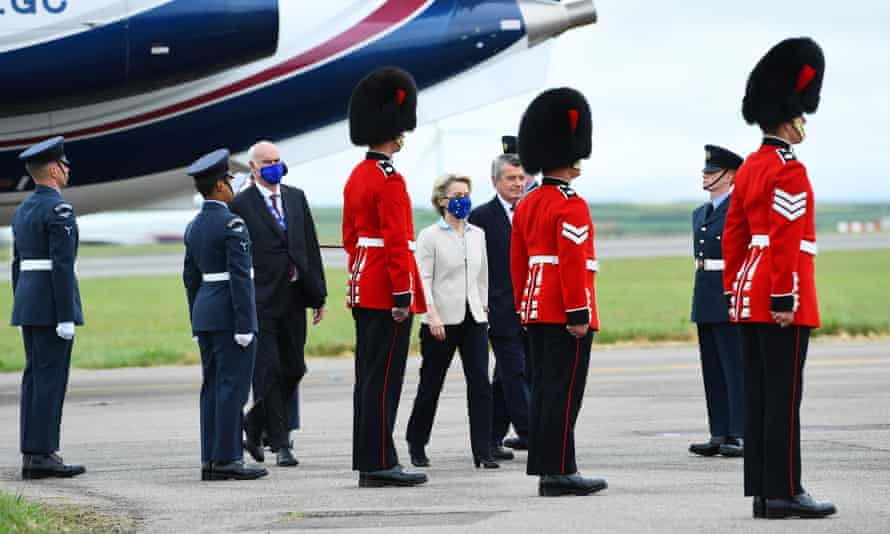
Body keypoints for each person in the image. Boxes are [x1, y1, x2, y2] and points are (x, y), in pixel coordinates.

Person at [723, 37, 835, 519]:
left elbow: (734, 237)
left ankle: (765, 493)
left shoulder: (749, 167)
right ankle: (785, 490)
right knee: (784, 397)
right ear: (791, 118)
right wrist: (784, 296)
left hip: (749, 291)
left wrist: (736, 290)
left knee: (760, 396)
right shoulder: (788, 170)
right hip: (778, 294)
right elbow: (787, 241)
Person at [512, 88, 607, 497]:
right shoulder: (570, 203)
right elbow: (571, 263)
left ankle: (553, 468)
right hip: (562, 309)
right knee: (565, 393)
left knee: (546, 392)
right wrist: (578, 312)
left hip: (535, 307)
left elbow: (517, 262)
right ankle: (559, 471)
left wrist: (523, 306)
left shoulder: (529, 202)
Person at [343, 66, 428, 488]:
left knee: (368, 379)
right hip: (385, 289)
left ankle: (373, 457)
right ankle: (378, 463)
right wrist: (402, 294)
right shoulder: (389, 180)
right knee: (384, 381)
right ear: (393, 134)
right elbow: (397, 243)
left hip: (362, 282)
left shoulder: (357, 176)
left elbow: (349, 238)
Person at [230, 141, 327, 467]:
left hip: (295, 295)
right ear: (254, 168)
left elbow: (309, 246)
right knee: (267, 371)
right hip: (262, 298)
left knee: (295, 367)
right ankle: (281, 443)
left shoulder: (295, 197)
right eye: (267, 162)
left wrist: (319, 294)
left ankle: (254, 423)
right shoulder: (241, 204)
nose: (274, 166)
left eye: (278, 160)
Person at [183, 149, 267, 481]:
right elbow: (240, 279)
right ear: (219, 185)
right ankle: (229, 458)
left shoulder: (194, 225)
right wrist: (246, 323)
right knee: (232, 388)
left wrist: (195, 318)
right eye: (229, 181)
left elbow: (190, 278)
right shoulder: (232, 223)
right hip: (229, 315)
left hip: (205, 311)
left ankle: (211, 459)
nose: (232, 187)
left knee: (212, 387)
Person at [405, 173, 497, 469]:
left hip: (473, 319)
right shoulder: (430, 236)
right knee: (431, 384)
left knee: (481, 385)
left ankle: (483, 450)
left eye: (466, 194)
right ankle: (416, 442)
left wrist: (484, 310)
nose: (463, 200)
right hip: (441, 321)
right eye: (457, 195)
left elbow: (482, 278)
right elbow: (424, 281)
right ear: (442, 201)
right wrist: (432, 316)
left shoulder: (477, 235)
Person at [11, 136, 85, 480]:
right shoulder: (58, 209)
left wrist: (22, 303)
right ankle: (42, 455)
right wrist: (66, 315)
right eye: (65, 164)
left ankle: (34, 451)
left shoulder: (23, 209)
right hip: (51, 306)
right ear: (54, 170)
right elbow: (62, 265)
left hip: (30, 302)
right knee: (50, 380)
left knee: (34, 379)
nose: (68, 169)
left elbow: (17, 265)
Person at [468, 145, 531, 460]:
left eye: (521, 177)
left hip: (531, 308)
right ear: (496, 181)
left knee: (505, 378)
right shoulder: (480, 217)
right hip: (498, 309)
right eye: (510, 178)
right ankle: (533, 434)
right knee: (514, 371)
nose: (518, 184)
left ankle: (491, 439)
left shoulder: (532, 209)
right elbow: (474, 265)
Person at [689, 145, 745, 458]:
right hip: (705, 293)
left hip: (728, 293)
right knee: (711, 368)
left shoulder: (740, 208)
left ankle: (739, 433)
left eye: (712, 171)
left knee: (734, 367)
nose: (706, 175)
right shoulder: (700, 213)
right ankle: (719, 431)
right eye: (705, 171)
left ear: (730, 176)